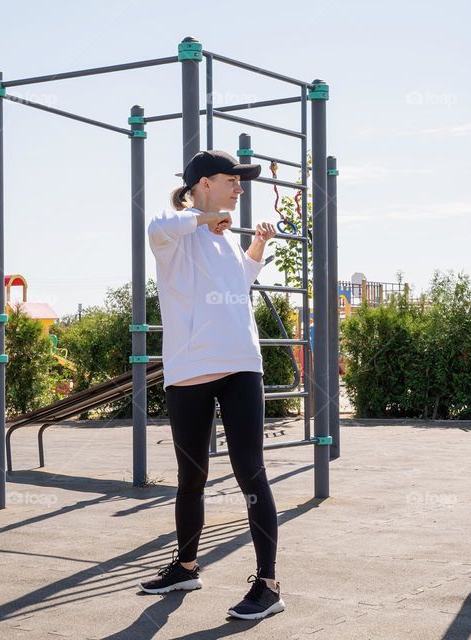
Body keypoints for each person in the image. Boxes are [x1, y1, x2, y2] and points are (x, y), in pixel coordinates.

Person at [138, 150, 284, 620]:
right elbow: (158, 226)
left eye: (240, 183)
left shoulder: (221, 237)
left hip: (240, 363)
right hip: (188, 370)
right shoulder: (177, 231)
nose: (239, 188)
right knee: (191, 478)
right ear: (202, 183)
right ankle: (185, 566)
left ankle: (268, 586)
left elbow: (236, 284)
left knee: (250, 472)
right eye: (231, 180)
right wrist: (205, 219)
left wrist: (256, 246)